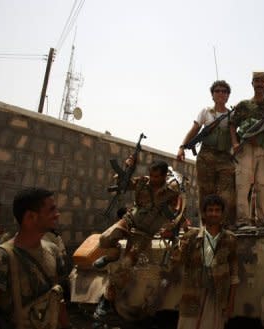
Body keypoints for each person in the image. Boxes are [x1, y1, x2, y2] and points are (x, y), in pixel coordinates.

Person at [93, 159, 181, 320]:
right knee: (105, 239)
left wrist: (171, 228)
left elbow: (177, 210)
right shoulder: (142, 183)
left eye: (156, 176)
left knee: (126, 264)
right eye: (151, 175)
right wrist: (127, 168)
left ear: (163, 176)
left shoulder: (171, 190)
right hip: (129, 220)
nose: (152, 179)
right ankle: (111, 256)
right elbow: (123, 184)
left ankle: (107, 298)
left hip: (144, 232)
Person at [0, 188, 70, 329]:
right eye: (51, 210)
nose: (57, 215)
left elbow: (57, 299)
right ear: (30, 217)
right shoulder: (1, 258)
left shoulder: (53, 251)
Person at [175, 194, 239, 329]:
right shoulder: (191, 237)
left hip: (216, 296)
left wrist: (230, 302)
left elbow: (234, 275)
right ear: (204, 213)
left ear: (222, 214)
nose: (213, 214)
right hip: (193, 294)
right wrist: (174, 238)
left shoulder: (230, 239)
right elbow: (178, 261)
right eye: (210, 210)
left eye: (217, 210)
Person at [177, 80, 236, 226]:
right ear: (212, 95)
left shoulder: (231, 115)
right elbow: (194, 130)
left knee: (226, 195)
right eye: (217, 91)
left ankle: (223, 227)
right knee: (205, 193)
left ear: (228, 96)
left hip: (225, 158)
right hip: (206, 157)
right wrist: (182, 147)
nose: (221, 93)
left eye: (224, 91)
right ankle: (206, 228)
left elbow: (234, 137)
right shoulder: (205, 112)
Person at [230, 71, 264, 227]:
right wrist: (235, 143)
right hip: (245, 148)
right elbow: (232, 124)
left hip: (263, 149)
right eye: (256, 81)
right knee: (242, 185)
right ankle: (242, 220)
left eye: (262, 81)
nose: (259, 84)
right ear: (252, 83)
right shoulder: (244, 105)